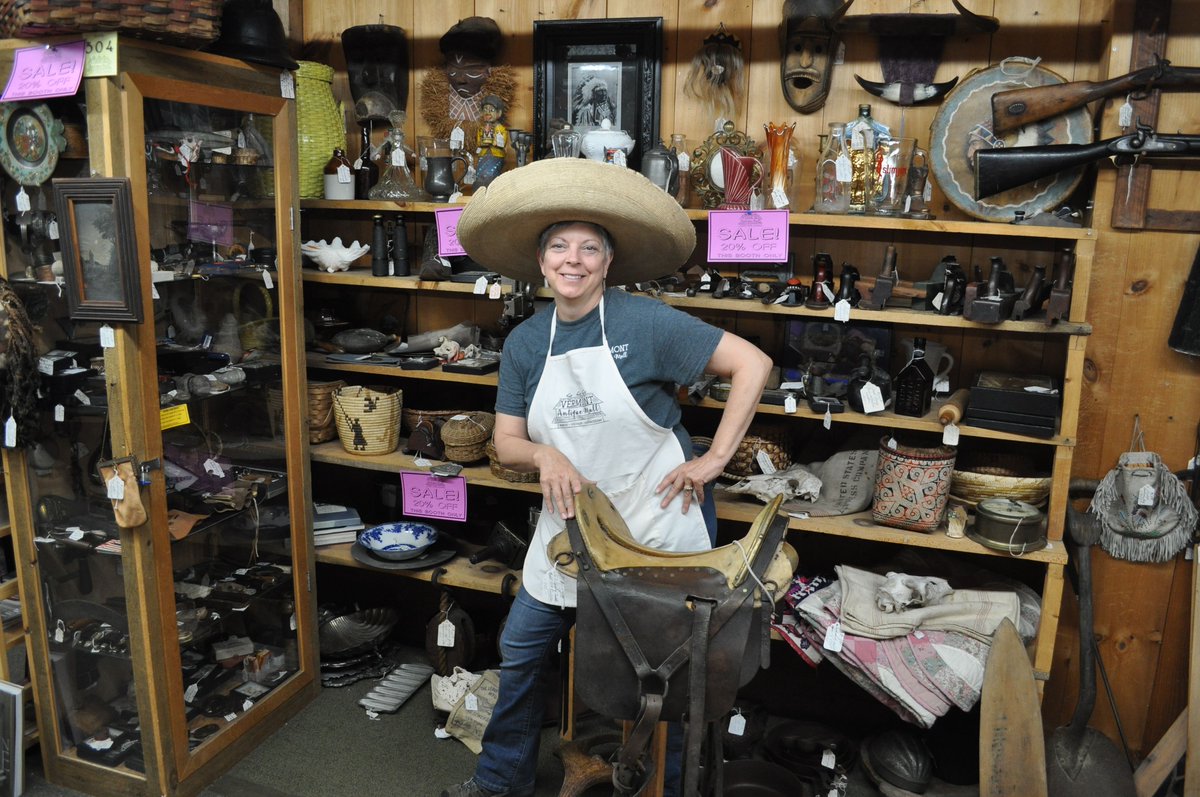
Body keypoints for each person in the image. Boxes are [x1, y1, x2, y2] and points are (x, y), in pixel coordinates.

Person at [442, 159, 773, 797]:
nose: (574, 260)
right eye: (560, 247)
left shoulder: (643, 322)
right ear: (540, 262)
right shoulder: (525, 343)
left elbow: (752, 365)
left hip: (657, 524)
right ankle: (497, 784)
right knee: (520, 653)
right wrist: (544, 457)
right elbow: (508, 441)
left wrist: (713, 461)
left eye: (589, 248)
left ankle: (668, 787)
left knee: (669, 677)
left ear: (608, 262)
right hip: (570, 530)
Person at [473, 95, 508, 188]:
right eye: (485, 110)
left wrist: (493, 142)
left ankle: (491, 188)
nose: (487, 113)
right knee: (480, 173)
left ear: (499, 113)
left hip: (495, 156)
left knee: (491, 173)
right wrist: (482, 143)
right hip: (483, 155)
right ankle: (480, 188)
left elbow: (502, 143)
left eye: (491, 110)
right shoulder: (481, 129)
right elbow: (478, 142)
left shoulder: (501, 129)